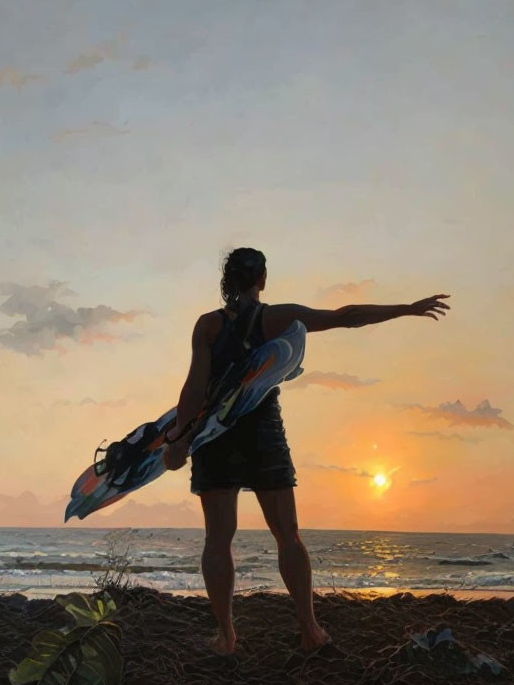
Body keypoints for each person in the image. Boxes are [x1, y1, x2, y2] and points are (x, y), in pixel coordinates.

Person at [166, 247, 450, 655]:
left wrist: (179, 438)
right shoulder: (277, 317)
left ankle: (227, 636)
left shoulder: (207, 326)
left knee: (218, 539)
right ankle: (310, 631)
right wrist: (406, 308)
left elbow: (195, 387)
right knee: (288, 535)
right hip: (263, 432)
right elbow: (344, 317)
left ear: (226, 282)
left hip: (217, 436)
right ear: (261, 279)